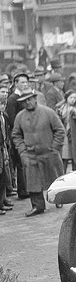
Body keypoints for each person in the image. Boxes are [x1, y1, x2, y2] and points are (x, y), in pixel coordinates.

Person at [11, 90, 65, 216]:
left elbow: (60, 130)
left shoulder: (48, 112)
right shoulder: (20, 117)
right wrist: (22, 151)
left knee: (55, 178)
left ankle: (59, 199)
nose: (27, 102)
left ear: (35, 98)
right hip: (30, 155)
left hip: (49, 153)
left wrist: (54, 147)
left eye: (29, 99)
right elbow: (16, 135)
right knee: (33, 182)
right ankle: (37, 205)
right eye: (24, 101)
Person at [5, 73, 31, 199]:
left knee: (24, 162)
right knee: (20, 162)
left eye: (26, 82)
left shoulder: (23, 97)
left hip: (24, 133)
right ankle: (22, 190)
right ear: (16, 83)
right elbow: (11, 119)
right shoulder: (12, 99)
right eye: (22, 82)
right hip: (17, 134)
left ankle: (26, 188)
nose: (25, 84)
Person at [56, 90, 76, 173]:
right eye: (71, 97)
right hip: (65, 135)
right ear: (66, 98)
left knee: (75, 156)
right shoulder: (61, 108)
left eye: (74, 98)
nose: (73, 100)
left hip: (75, 135)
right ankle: (63, 173)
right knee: (65, 156)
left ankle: (75, 172)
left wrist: (75, 114)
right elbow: (57, 121)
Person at [0, 86, 12, 215]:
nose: (2, 107)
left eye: (4, 104)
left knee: (4, 176)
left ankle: (2, 201)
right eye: (0, 104)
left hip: (3, 149)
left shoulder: (4, 117)